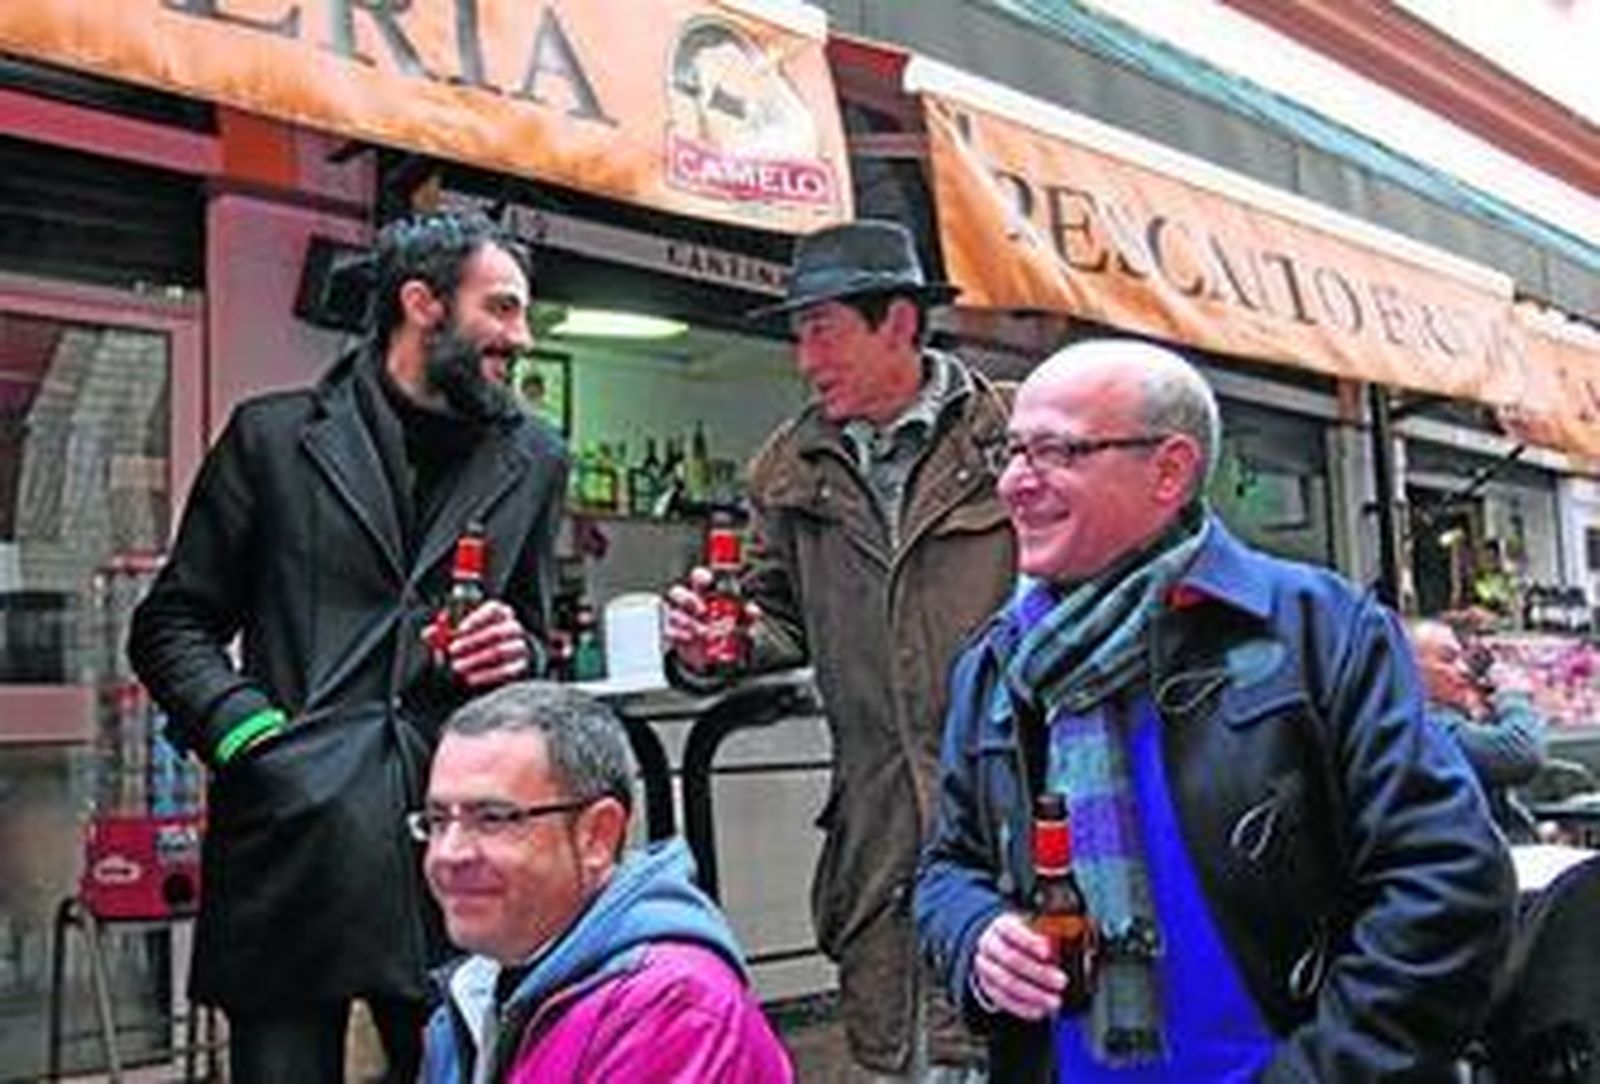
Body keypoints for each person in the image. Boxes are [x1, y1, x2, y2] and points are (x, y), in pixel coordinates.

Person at [916, 338, 1516, 1080]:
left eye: (1056, 452)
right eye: (1011, 451)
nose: (1014, 483)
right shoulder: (999, 664)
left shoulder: (1317, 629)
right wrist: (976, 935)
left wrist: (1321, 1073)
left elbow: (1448, 880)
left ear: (1169, 470)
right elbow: (947, 866)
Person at [129, 212, 567, 1082]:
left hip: (458, 849)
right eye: (503, 309)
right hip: (294, 842)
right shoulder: (273, 438)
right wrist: (251, 739)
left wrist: (518, 656)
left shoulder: (536, 459)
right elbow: (170, 625)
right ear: (422, 305)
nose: (520, 339)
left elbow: (537, 647)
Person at [664, 219, 1015, 1077]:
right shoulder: (787, 469)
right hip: (877, 831)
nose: (804, 358)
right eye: (797, 334)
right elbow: (775, 617)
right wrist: (721, 644)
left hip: (1022, 811)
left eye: (821, 329)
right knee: (903, 1054)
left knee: (1027, 1043)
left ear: (898, 321)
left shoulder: (1017, 434)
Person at [418, 681, 792, 1083]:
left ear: (597, 835)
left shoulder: (673, 1010)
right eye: (438, 821)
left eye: (492, 818)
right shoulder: (478, 991)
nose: (449, 854)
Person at [1410, 617, 1549, 843]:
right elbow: (1522, 754)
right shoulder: (1422, 724)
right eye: (1448, 659)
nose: (1463, 670)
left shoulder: (1448, 715)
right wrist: (1513, 695)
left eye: (1463, 659)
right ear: (1409, 667)